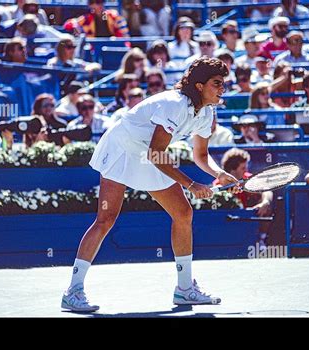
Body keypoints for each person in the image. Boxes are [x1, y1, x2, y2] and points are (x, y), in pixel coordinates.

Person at [61, 57, 240, 312]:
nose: (223, 89)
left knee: (183, 213)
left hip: (150, 155)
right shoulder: (174, 105)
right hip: (123, 148)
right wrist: (191, 184)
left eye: (224, 83)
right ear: (199, 86)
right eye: (217, 83)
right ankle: (73, 291)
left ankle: (185, 288)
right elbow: (157, 153)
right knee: (106, 219)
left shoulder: (207, 112)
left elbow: (200, 155)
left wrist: (220, 173)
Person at [215, 148, 273, 250]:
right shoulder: (219, 184)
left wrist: (265, 202)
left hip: (247, 219)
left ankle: (261, 240)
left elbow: (266, 190)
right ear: (233, 170)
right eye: (243, 168)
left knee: (265, 206)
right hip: (228, 225)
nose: (246, 170)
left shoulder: (247, 178)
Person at [63, 0, 129, 38]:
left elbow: (125, 36)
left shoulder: (114, 16)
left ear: (103, 2)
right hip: (95, 49)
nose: (95, 5)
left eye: (98, 1)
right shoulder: (87, 18)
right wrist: (75, 25)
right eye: (91, 2)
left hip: (113, 47)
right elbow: (67, 24)